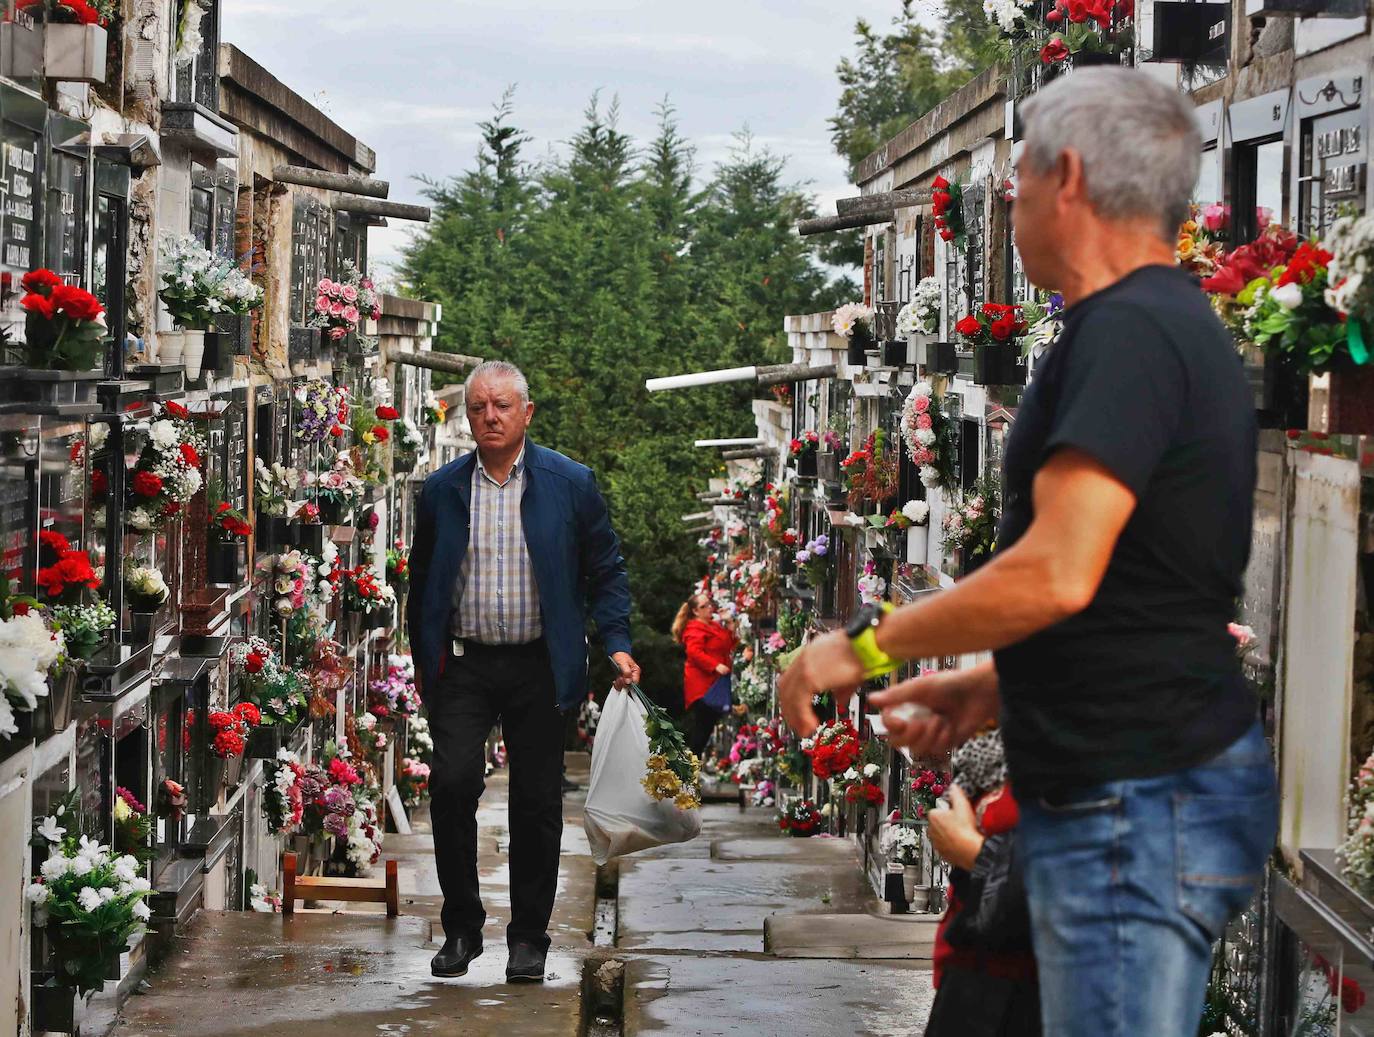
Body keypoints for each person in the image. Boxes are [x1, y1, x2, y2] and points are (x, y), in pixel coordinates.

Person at [779, 67, 1276, 1037]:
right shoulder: (1161, 323)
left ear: (1071, 176)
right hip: (1144, 780)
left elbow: (1058, 568)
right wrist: (997, 686)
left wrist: (865, 644)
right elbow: (1146, 588)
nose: (1010, 201)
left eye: (1018, 180)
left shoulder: (1130, 330)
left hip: (1131, 798)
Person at [408, 360, 640, 984]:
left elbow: (606, 569)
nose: (489, 416)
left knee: (536, 803)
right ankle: (461, 928)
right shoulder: (442, 491)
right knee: (453, 784)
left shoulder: (570, 484)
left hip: (542, 663)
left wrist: (615, 641)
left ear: (526, 413)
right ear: (467, 415)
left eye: (502, 406)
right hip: (463, 664)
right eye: (479, 406)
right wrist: (424, 664)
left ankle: (529, 939)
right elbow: (422, 579)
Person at [923, 730, 1038, 1037]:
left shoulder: (1080, 765)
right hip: (972, 982)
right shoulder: (990, 755)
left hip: (1029, 994)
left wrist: (976, 854)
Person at [671, 592, 736, 756]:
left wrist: (729, 623)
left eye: (709, 604)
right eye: (704, 606)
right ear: (695, 611)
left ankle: (691, 765)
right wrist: (715, 666)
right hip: (703, 686)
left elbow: (728, 644)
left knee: (706, 726)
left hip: (714, 682)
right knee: (703, 726)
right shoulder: (694, 629)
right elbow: (694, 652)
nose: (709, 608)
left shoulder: (713, 625)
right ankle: (690, 765)